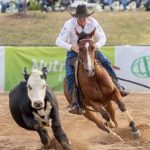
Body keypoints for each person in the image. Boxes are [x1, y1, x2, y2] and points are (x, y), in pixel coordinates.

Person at [55, 4, 129, 115]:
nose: (82, 19)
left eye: (84, 17)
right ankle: (75, 102)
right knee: (70, 75)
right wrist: (71, 47)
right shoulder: (69, 24)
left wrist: (97, 45)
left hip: (90, 49)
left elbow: (102, 37)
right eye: (80, 17)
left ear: (87, 16)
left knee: (105, 61)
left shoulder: (93, 22)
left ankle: (118, 86)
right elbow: (59, 41)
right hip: (74, 52)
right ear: (76, 17)